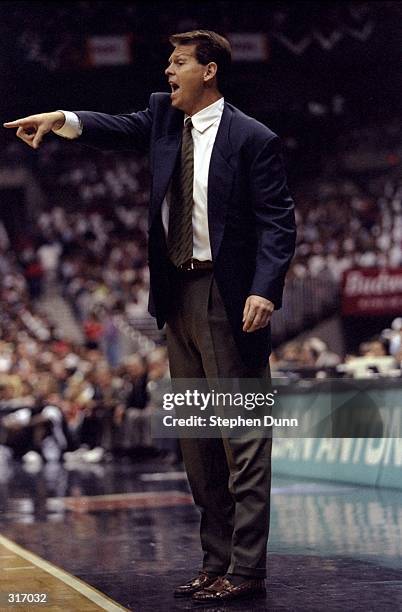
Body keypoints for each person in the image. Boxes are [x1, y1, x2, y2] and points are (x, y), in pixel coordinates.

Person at [4, 30, 296, 604]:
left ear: (208, 71)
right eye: (169, 61)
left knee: (243, 437)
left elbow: (278, 223)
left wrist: (266, 290)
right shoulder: (165, 118)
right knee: (197, 440)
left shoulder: (253, 138)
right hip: (177, 297)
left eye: (179, 62)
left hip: (229, 297)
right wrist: (60, 117)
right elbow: (114, 127)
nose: (168, 71)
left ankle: (248, 568)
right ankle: (215, 562)